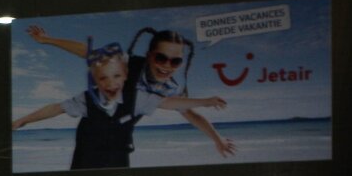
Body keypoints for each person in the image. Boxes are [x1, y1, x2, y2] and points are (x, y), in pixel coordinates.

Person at [26, 24, 236, 158]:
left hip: (120, 142)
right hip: (91, 133)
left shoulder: (172, 88)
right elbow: (89, 52)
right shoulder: (128, 63)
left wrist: (217, 139)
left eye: (176, 61)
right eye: (161, 58)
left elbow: (192, 115)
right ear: (149, 55)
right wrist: (48, 40)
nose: (167, 65)